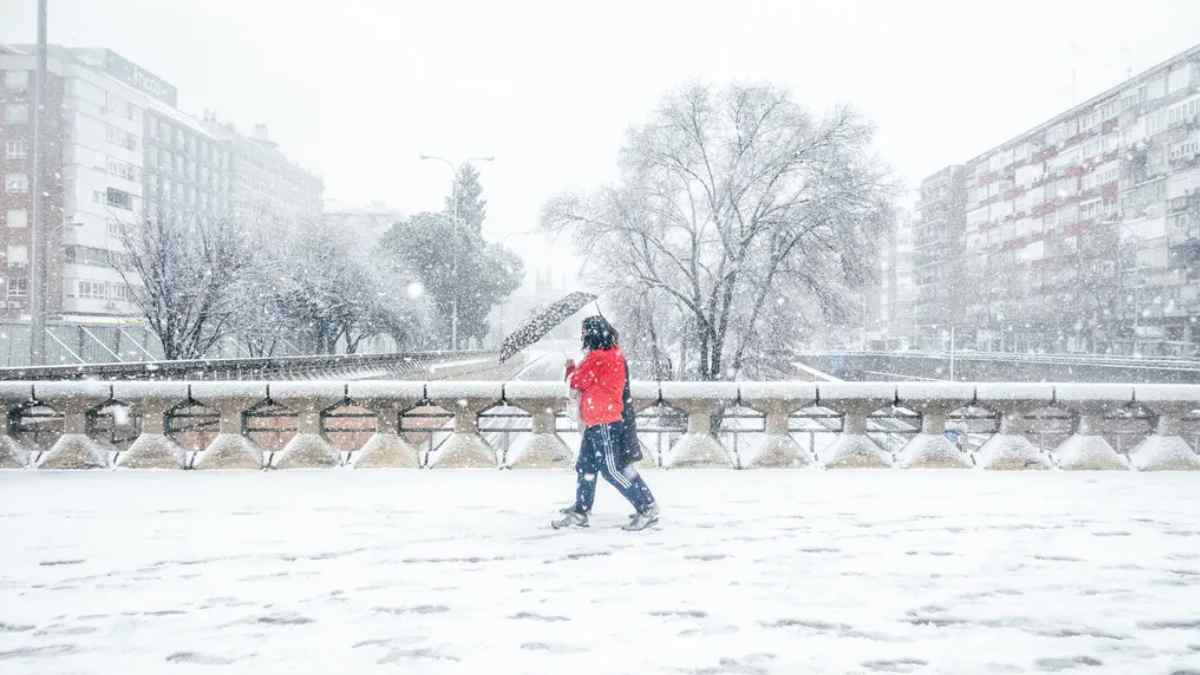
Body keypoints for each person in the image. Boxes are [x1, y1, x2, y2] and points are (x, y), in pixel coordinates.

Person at [552, 315, 659, 531]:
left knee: (612, 470)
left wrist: (571, 368)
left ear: (591, 334)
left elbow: (575, 383)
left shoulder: (598, 357)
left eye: (584, 332)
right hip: (600, 421)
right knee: (585, 466)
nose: (582, 335)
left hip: (604, 422)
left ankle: (645, 508)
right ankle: (581, 511)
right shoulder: (614, 353)